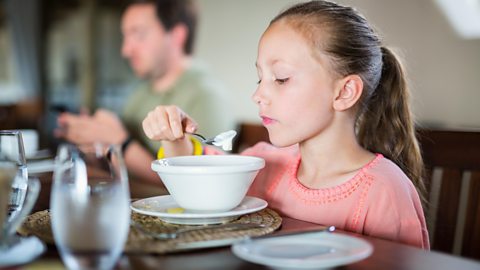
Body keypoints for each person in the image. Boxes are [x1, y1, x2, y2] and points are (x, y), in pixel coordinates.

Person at [141, 1, 430, 248]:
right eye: (260, 78)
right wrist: (173, 137)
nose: (257, 95)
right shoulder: (263, 163)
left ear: (343, 92)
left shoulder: (384, 190)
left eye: (280, 78)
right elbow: (201, 180)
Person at [55, 0, 234, 189]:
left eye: (138, 35)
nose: (125, 50)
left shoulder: (206, 97)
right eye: (125, 37)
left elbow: (201, 186)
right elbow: (121, 170)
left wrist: (121, 143)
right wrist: (98, 145)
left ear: (176, 36)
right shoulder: (140, 93)